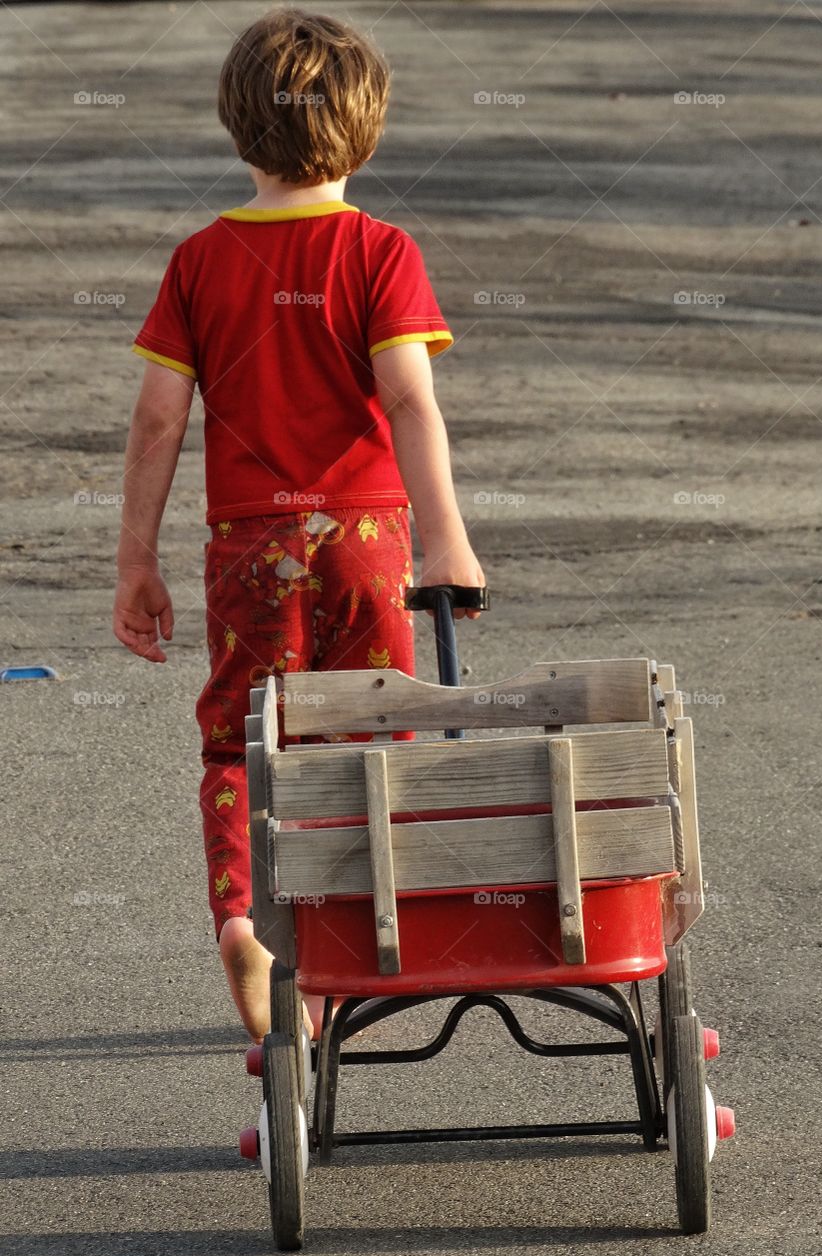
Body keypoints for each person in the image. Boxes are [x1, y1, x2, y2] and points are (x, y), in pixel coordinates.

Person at [113, 8, 485, 1042]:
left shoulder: (199, 261)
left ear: (238, 129)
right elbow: (408, 401)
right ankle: (358, 938)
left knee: (242, 741)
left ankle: (247, 917)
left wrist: (135, 560)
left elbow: (156, 422)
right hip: (367, 539)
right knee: (375, 728)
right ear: (365, 132)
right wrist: (447, 537)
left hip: (247, 546)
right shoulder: (378, 250)